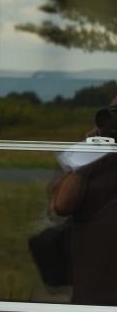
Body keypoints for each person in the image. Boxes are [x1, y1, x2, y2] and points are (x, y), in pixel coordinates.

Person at [47, 94, 117, 305]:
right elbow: (60, 205)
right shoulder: (94, 156)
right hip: (95, 289)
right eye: (114, 113)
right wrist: (89, 151)